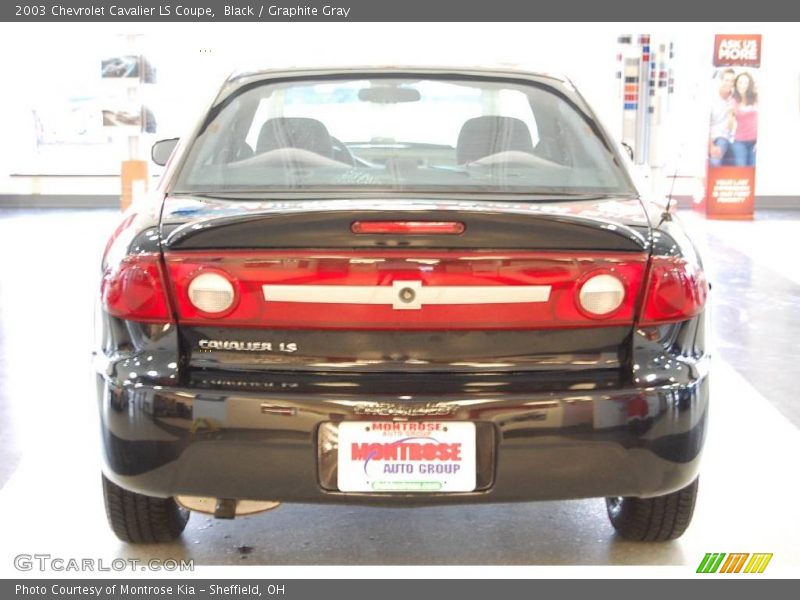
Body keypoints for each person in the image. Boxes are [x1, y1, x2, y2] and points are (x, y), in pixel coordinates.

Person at [708, 69, 736, 166]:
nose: (729, 83)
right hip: (710, 136)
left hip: (724, 136)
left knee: (716, 160)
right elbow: (704, 125)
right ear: (720, 81)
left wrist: (731, 113)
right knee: (714, 161)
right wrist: (711, 146)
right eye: (726, 80)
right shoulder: (711, 98)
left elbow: (730, 127)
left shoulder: (734, 99)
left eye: (732, 81)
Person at [731, 72, 758, 167]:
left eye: (745, 83)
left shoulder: (756, 98)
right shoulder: (733, 100)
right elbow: (730, 123)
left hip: (755, 141)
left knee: (754, 169)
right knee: (741, 170)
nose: (742, 85)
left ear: (749, 84)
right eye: (739, 82)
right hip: (739, 141)